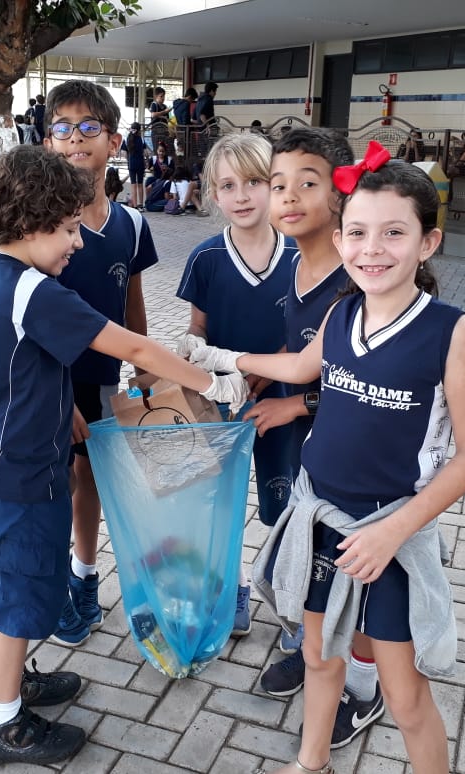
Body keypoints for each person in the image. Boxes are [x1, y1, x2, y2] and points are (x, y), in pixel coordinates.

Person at [189, 155, 465, 774]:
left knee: (405, 700)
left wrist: (392, 532)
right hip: (318, 518)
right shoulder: (343, 312)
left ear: (428, 242)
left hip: (390, 535)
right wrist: (218, 357)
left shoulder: (451, 333)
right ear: (339, 237)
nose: (372, 249)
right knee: (321, 659)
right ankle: (311, 764)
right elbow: (299, 370)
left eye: (393, 232)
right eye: (357, 232)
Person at [0, 144, 246, 767]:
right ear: (29, 222)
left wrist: (62, 407)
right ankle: (3, 723)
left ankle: (16, 682)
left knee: (13, 582)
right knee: (15, 595)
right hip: (20, 473)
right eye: (67, 229)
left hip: (10, 461)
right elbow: (134, 348)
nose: (79, 243)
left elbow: (12, 367)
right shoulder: (35, 291)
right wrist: (210, 382)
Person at [248, 128, 386, 750]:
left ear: (341, 193)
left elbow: (356, 377)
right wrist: (256, 374)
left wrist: (293, 403)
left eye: (308, 182)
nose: (288, 196)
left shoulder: (359, 274)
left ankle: (363, 687)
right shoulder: (298, 264)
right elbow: (303, 351)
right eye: (278, 185)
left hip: (365, 462)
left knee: (358, 576)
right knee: (312, 566)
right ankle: (317, 662)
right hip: (316, 453)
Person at [42, 79, 163, 646]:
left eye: (89, 127)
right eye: (62, 128)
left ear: (113, 141)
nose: (75, 139)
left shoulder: (132, 224)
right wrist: (56, 395)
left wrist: (143, 373)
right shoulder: (42, 230)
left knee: (91, 477)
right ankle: (52, 587)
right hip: (49, 381)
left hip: (103, 380)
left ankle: (86, 579)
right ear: (48, 143)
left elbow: (131, 305)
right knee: (55, 484)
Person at [175, 133, 297, 637]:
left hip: (285, 404)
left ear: (277, 186)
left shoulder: (302, 256)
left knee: (284, 508)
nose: (242, 195)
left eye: (255, 181)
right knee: (221, 505)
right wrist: (189, 347)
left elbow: (312, 337)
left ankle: (292, 601)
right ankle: (235, 586)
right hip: (222, 403)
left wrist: (265, 375)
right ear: (212, 194)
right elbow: (199, 328)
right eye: (228, 185)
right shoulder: (205, 259)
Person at [122, 122, 146, 210]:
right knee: (140, 184)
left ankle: (135, 205)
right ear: (139, 130)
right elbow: (145, 152)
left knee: (133, 184)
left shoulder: (126, 138)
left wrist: (129, 159)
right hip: (140, 163)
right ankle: (141, 205)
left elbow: (124, 153)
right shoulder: (141, 139)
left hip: (131, 164)